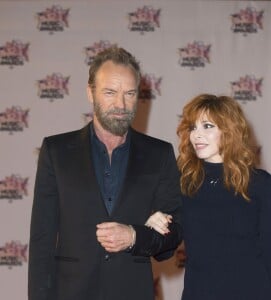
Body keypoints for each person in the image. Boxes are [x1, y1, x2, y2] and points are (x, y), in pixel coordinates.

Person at [28, 47, 182, 300]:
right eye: (110, 92)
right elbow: (42, 242)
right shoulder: (56, 152)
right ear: (90, 92)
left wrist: (134, 236)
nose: (120, 104)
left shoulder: (160, 154)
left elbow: (172, 238)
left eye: (129, 93)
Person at [147, 94, 271, 299]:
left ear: (229, 130)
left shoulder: (260, 184)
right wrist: (155, 225)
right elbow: (163, 252)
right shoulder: (183, 182)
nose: (196, 135)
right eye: (193, 127)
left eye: (207, 126)